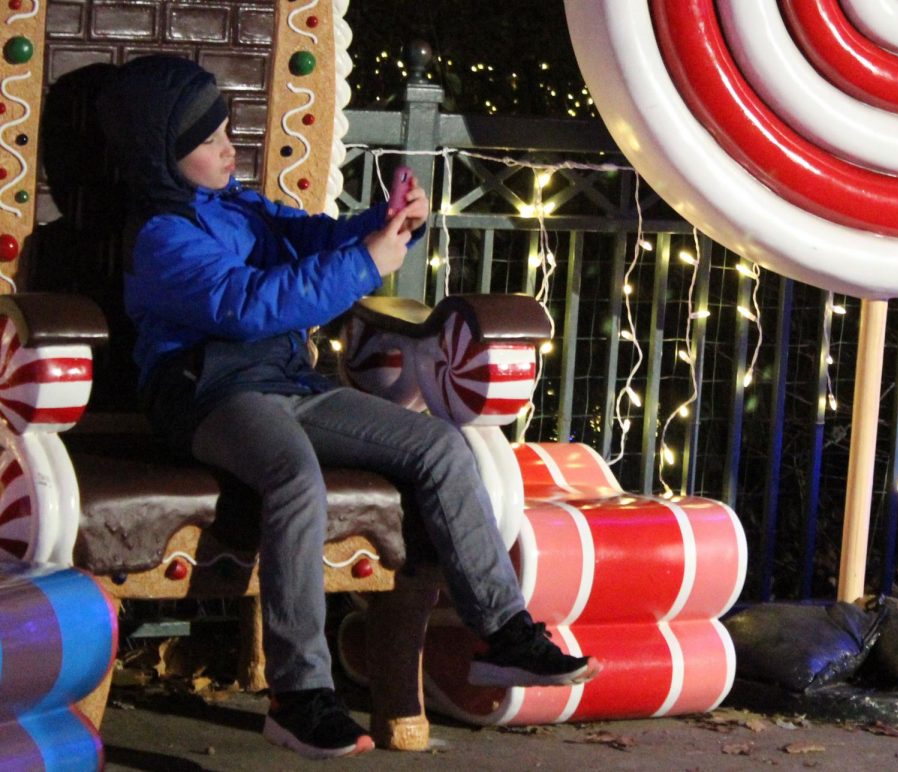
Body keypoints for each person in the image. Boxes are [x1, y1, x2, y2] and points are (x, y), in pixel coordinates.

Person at [96, 55, 599, 761]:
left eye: (222, 134)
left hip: (286, 382)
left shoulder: (236, 205)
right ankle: (299, 696)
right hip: (211, 390)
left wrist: (388, 222)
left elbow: (307, 238)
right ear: (164, 155)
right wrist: (367, 260)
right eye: (208, 142)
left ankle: (504, 633)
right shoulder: (160, 236)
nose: (227, 148)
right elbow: (246, 304)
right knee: (294, 479)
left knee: (438, 447)